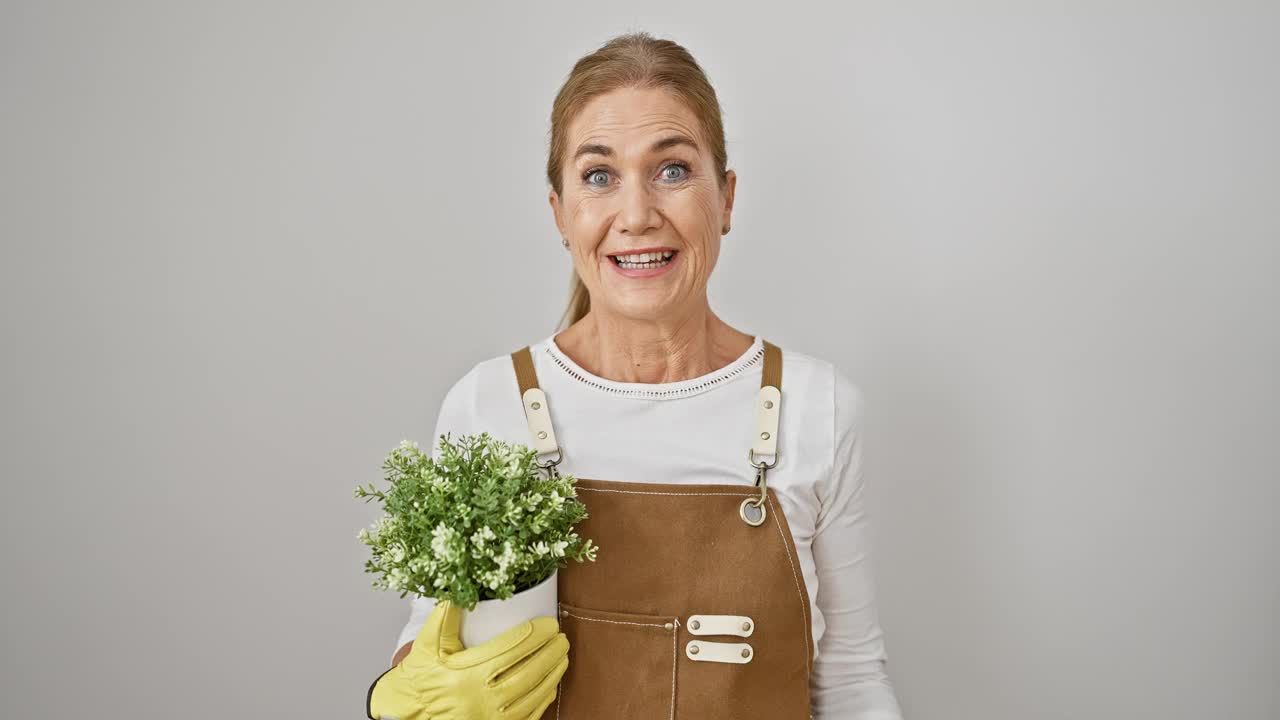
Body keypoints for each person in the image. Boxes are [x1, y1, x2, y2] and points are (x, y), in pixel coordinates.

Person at [368, 30, 905, 720]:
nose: (637, 214)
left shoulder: (817, 408)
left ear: (727, 198)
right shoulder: (488, 404)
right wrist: (400, 698)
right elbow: (430, 646)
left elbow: (853, 681)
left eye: (673, 170)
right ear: (561, 213)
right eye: (599, 176)